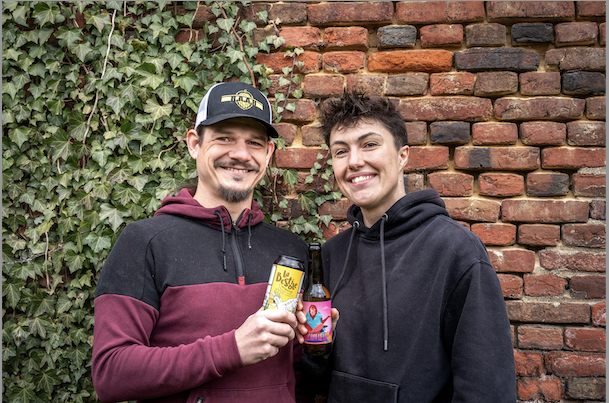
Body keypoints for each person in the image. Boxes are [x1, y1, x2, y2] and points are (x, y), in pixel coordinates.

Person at [92, 82, 310, 403]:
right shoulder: (146, 242)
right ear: (194, 144)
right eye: (224, 138)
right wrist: (231, 349)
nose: (241, 154)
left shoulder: (291, 250)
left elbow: (299, 376)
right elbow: (111, 373)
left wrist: (320, 345)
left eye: (254, 142)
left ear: (268, 153)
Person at [296, 93, 516, 402]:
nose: (354, 161)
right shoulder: (331, 255)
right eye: (341, 151)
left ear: (403, 156)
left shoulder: (456, 250)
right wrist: (317, 351)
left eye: (369, 144)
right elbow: (316, 382)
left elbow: (487, 390)